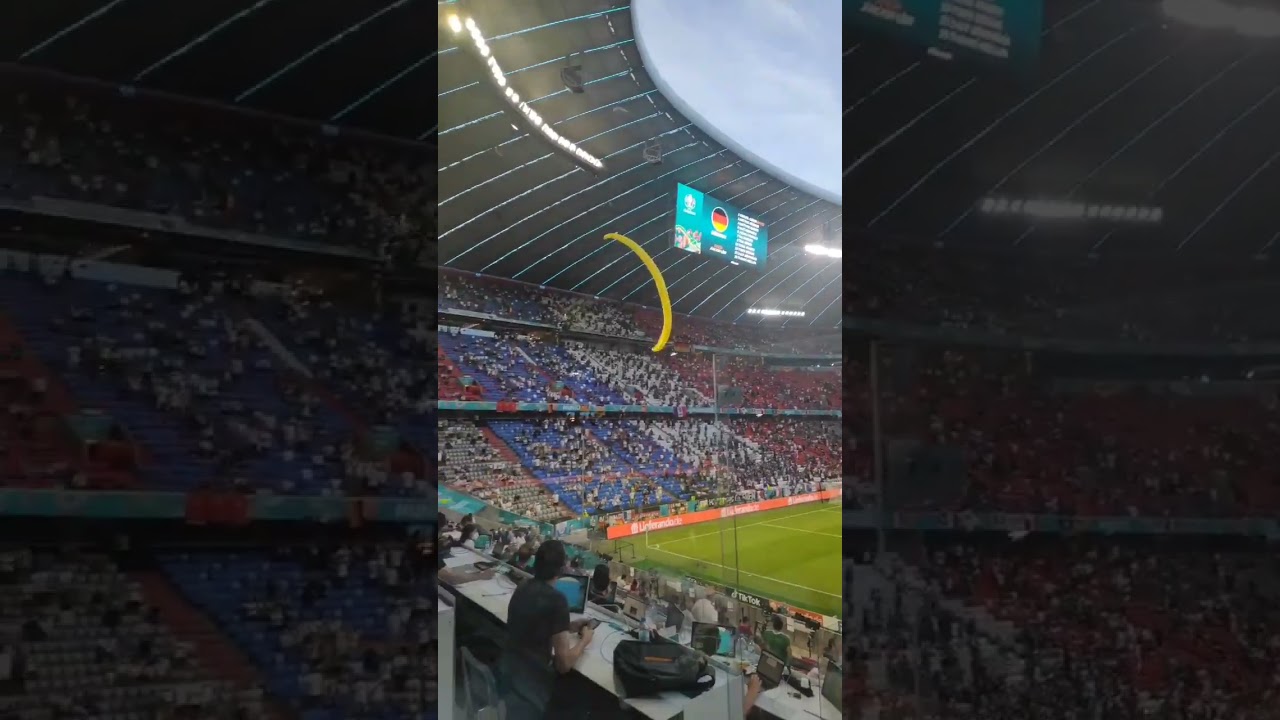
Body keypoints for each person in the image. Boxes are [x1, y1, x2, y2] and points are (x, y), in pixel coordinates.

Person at [497, 540, 595, 720]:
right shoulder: (557, 600)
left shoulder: (523, 586)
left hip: (509, 676)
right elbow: (563, 664)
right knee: (586, 699)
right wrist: (584, 641)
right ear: (562, 568)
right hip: (533, 689)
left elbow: (536, 623)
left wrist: (566, 626)